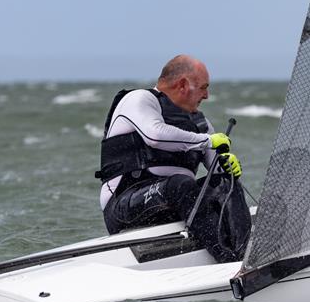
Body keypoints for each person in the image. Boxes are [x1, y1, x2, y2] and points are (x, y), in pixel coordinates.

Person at [95, 55, 251, 263]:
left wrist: (227, 166)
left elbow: (218, 173)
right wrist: (206, 141)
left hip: (176, 204)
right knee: (180, 184)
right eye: (203, 87)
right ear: (184, 85)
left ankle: (244, 256)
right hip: (124, 207)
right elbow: (155, 135)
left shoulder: (201, 123)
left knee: (226, 183)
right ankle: (225, 260)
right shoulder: (140, 100)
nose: (207, 95)